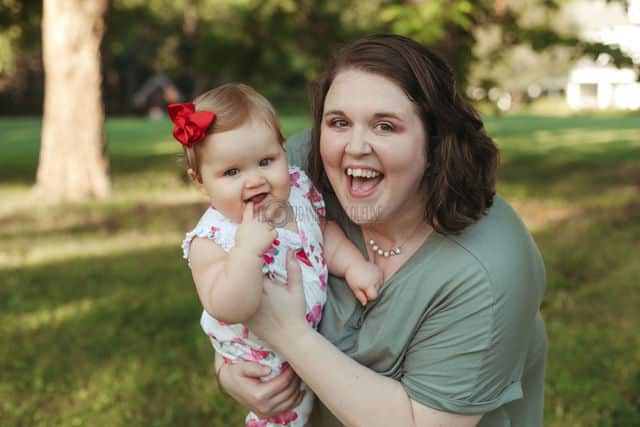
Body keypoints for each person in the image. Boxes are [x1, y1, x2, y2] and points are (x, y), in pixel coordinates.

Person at [215, 34, 547, 427]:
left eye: (385, 126)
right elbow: (222, 243)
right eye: (339, 122)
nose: (355, 147)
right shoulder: (300, 173)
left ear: (435, 142)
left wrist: (286, 333)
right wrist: (229, 369)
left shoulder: (486, 270)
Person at [173, 83, 383, 427]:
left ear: (283, 151)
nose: (254, 180)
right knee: (284, 416)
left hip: (305, 343)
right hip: (265, 362)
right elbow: (227, 306)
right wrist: (247, 252)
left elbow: (321, 234)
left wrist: (353, 265)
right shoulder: (212, 239)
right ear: (200, 182)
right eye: (231, 172)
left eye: (266, 161)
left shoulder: (293, 195)